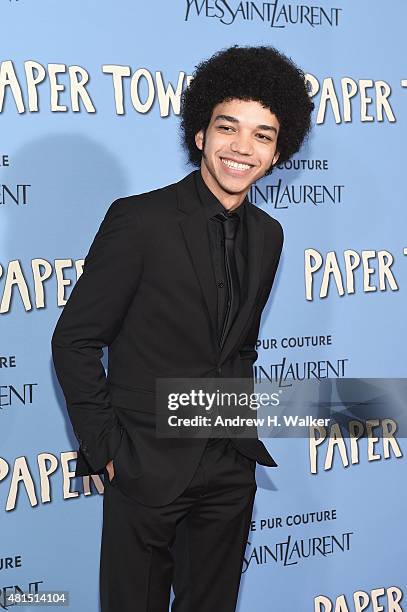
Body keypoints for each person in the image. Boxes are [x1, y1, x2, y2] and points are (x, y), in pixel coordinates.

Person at [51, 44, 313, 612]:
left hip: (228, 468)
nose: (242, 148)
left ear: (277, 152)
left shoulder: (270, 236)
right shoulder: (138, 220)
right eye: (229, 128)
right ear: (200, 133)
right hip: (145, 466)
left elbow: (238, 348)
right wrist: (107, 449)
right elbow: (74, 340)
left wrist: (238, 441)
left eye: (262, 136)